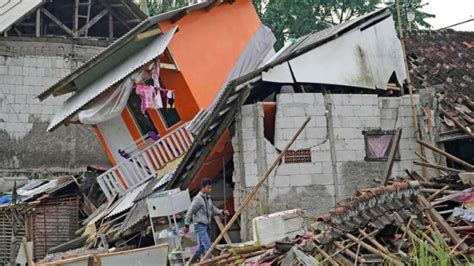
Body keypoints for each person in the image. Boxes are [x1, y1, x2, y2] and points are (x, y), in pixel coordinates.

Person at [183, 178, 229, 263]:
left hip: (207, 225)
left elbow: (212, 209)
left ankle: (190, 262)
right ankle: (210, 263)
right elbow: (190, 211)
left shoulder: (208, 199)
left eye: (210, 188)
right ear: (203, 187)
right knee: (208, 245)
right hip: (200, 225)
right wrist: (186, 224)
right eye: (208, 188)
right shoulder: (198, 199)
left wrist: (222, 212)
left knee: (202, 247)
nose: (209, 190)